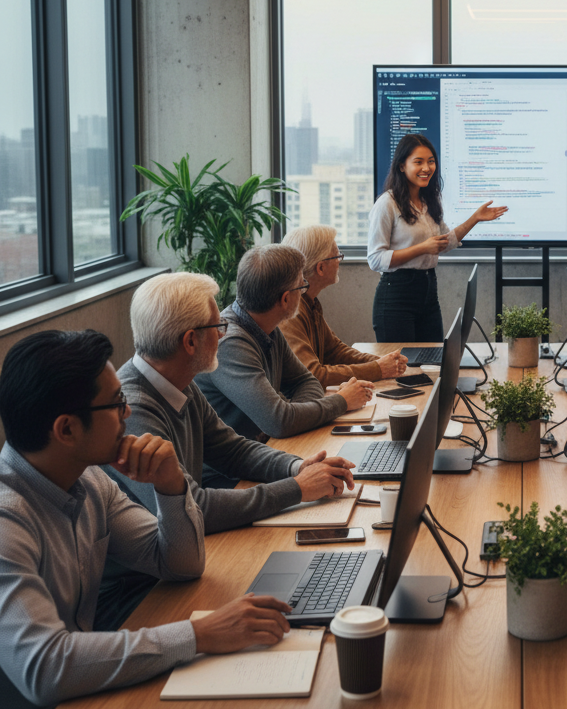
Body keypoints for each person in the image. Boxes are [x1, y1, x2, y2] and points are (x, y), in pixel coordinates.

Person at [0, 329, 292, 709]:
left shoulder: (89, 479)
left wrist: (172, 487)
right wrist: (198, 635)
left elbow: (179, 564)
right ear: (66, 429)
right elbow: (45, 668)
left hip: (71, 699)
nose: (127, 414)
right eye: (115, 404)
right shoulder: (8, 518)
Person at [96, 272, 356, 631]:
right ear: (190, 341)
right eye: (217, 326)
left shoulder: (178, 382)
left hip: (182, 567)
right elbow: (195, 506)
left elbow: (233, 450)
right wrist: (297, 489)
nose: (223, 333)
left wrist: (296, 466)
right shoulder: (134, 410)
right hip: (142, 593)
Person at [197, 244, 374, 442]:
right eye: (302, 286)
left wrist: (297, 415)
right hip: (235, 469)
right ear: (285, 299)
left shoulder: (267, 326)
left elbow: (306, 381)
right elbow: (280, 422)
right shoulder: (230, 344)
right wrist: (341, 401)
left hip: (270, 449)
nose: (304, 292)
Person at [367, 134, 508, 341]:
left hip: (428, 293)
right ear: (401, 166)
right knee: (404, 370)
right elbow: (375, 259)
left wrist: (475, 219)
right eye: (418, 162)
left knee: (433, 363)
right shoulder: (387, 204)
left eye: (431, 161)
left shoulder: (428, 201)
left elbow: (445, 242)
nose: (426, 168)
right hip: (396, 296)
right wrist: (422, 248)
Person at [280, 223, 408, 387]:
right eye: (337, 256)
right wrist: (378, 368)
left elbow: (334, 351)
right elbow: (313, 375)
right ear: (320, 268)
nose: (340, 260)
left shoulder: (309, 302)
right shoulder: (291, 311)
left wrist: (382, 362)